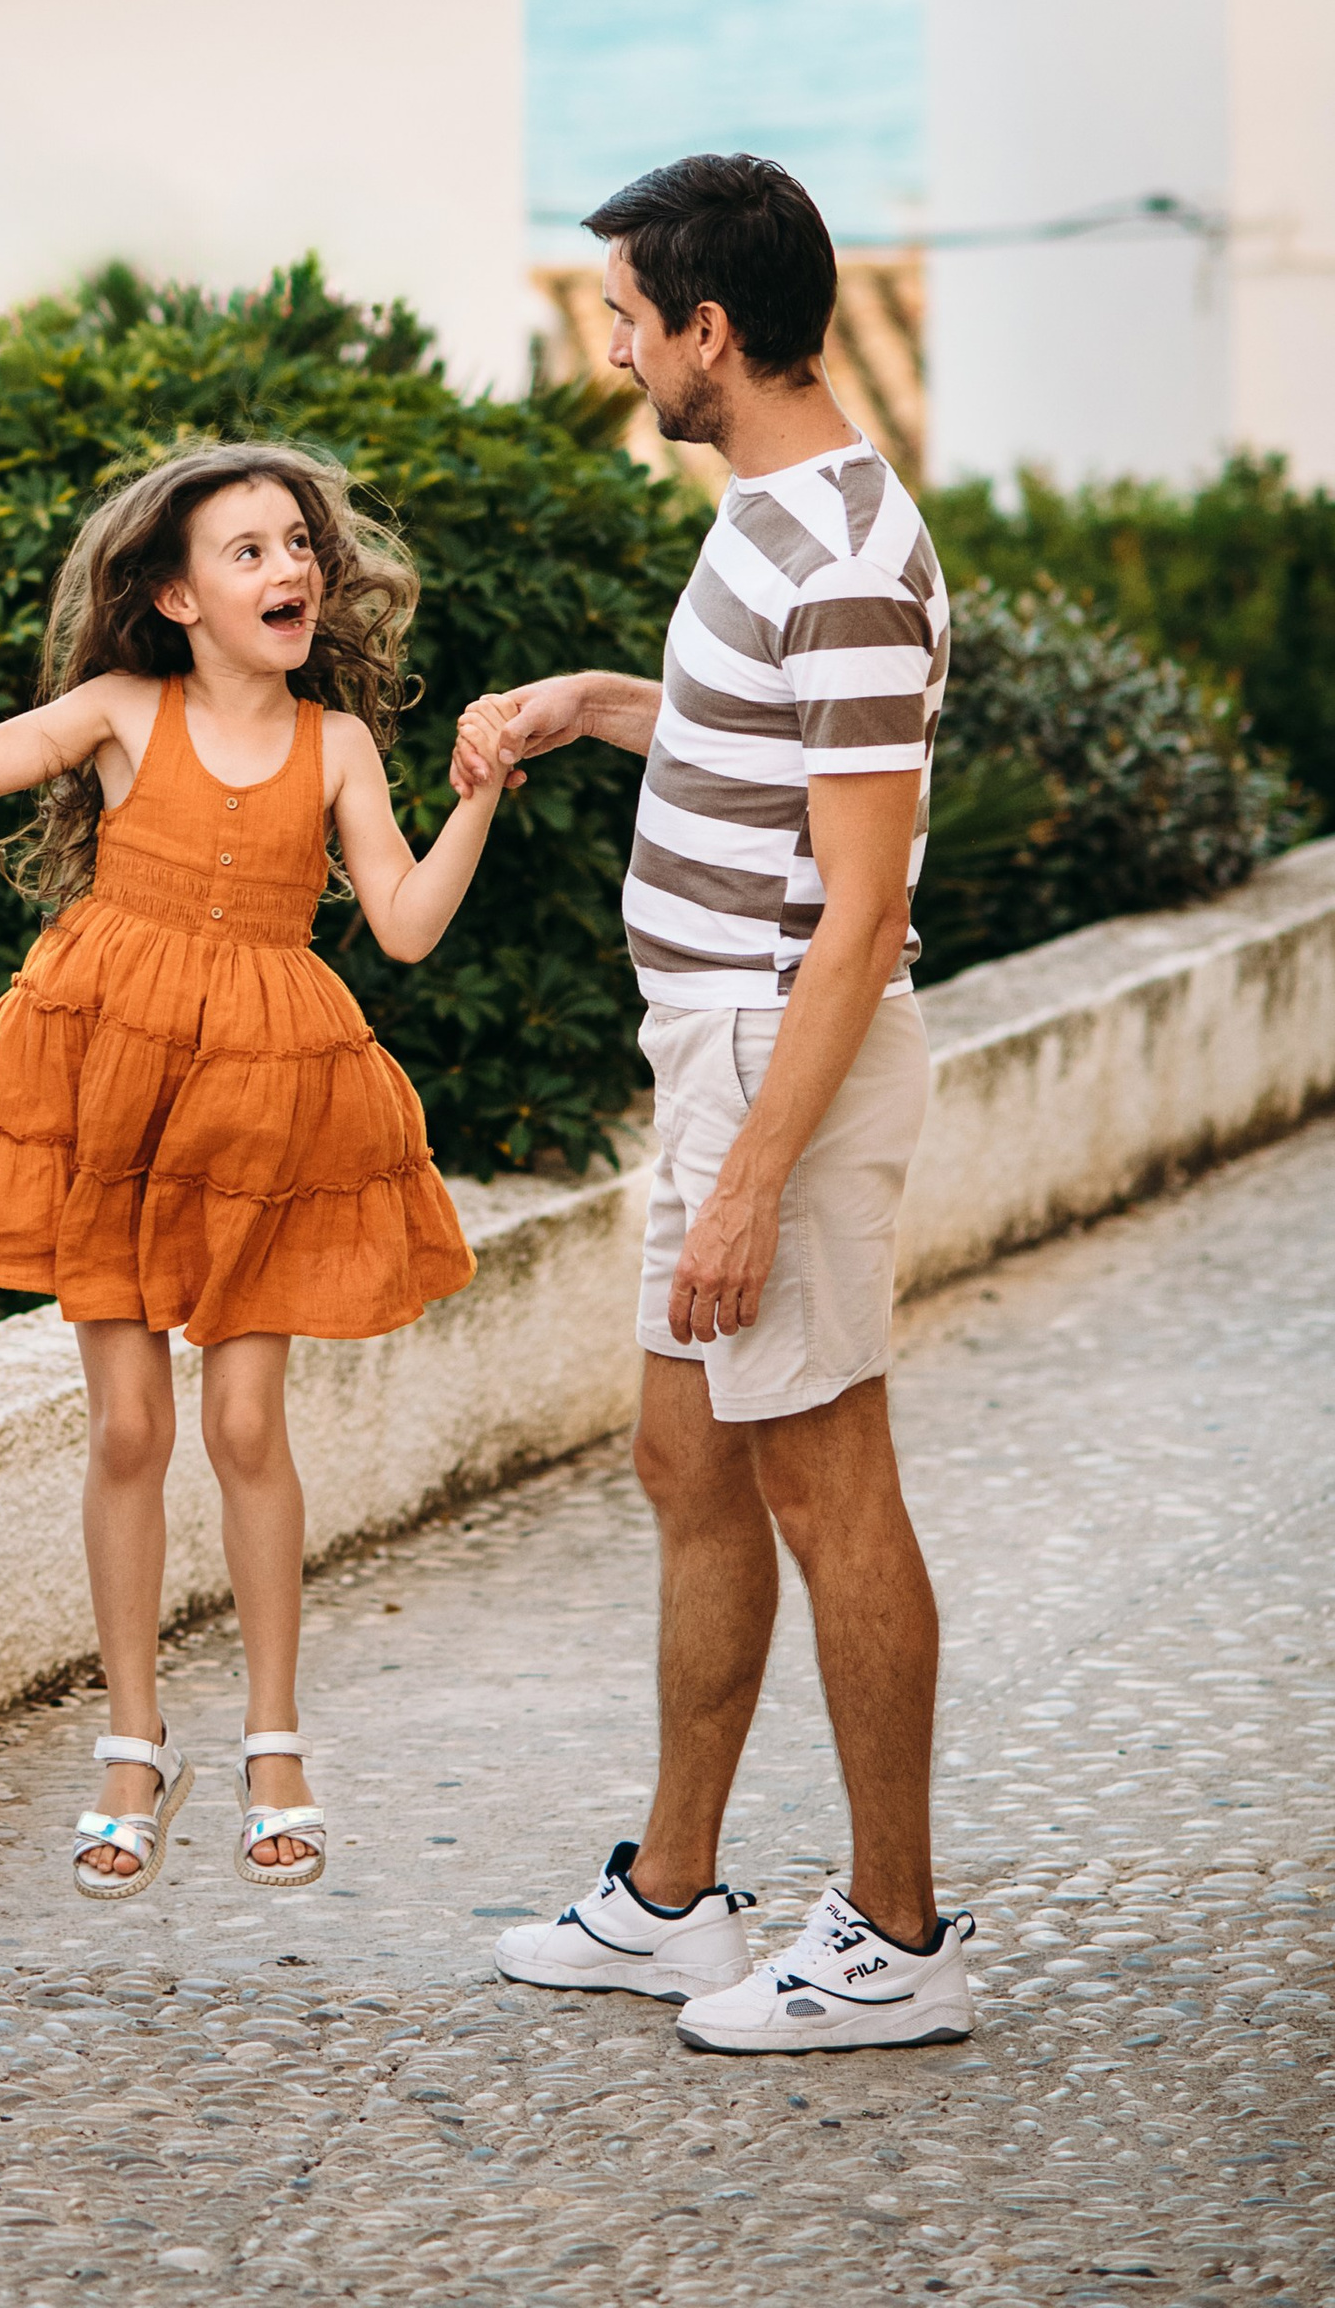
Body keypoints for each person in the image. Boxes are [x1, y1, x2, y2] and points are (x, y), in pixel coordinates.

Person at [0, 443, 511, 1897]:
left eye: (298, 545)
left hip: (265, 1105)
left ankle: (274, 1742)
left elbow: (405, 923)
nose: (289, 568)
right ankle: (132, 1740)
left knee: (241, 1424)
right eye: (248, 551)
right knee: (124, 1432)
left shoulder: (338, 742)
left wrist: (476, 793)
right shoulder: (119, 711)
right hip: (109, 1079)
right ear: (173, 596)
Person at [487, 153, 966, 2053]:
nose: (612, 350)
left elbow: (862, 914)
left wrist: (753, 1178)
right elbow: (762, 750)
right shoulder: (769, 513)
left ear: (713, 330)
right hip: (718, 1058)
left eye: (627, 317)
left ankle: (902, 1939)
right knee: (690, 1466)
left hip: (784, 1066)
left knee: (832, 1486)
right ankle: (677, 1902)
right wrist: (596, 703)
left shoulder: (845, 557)